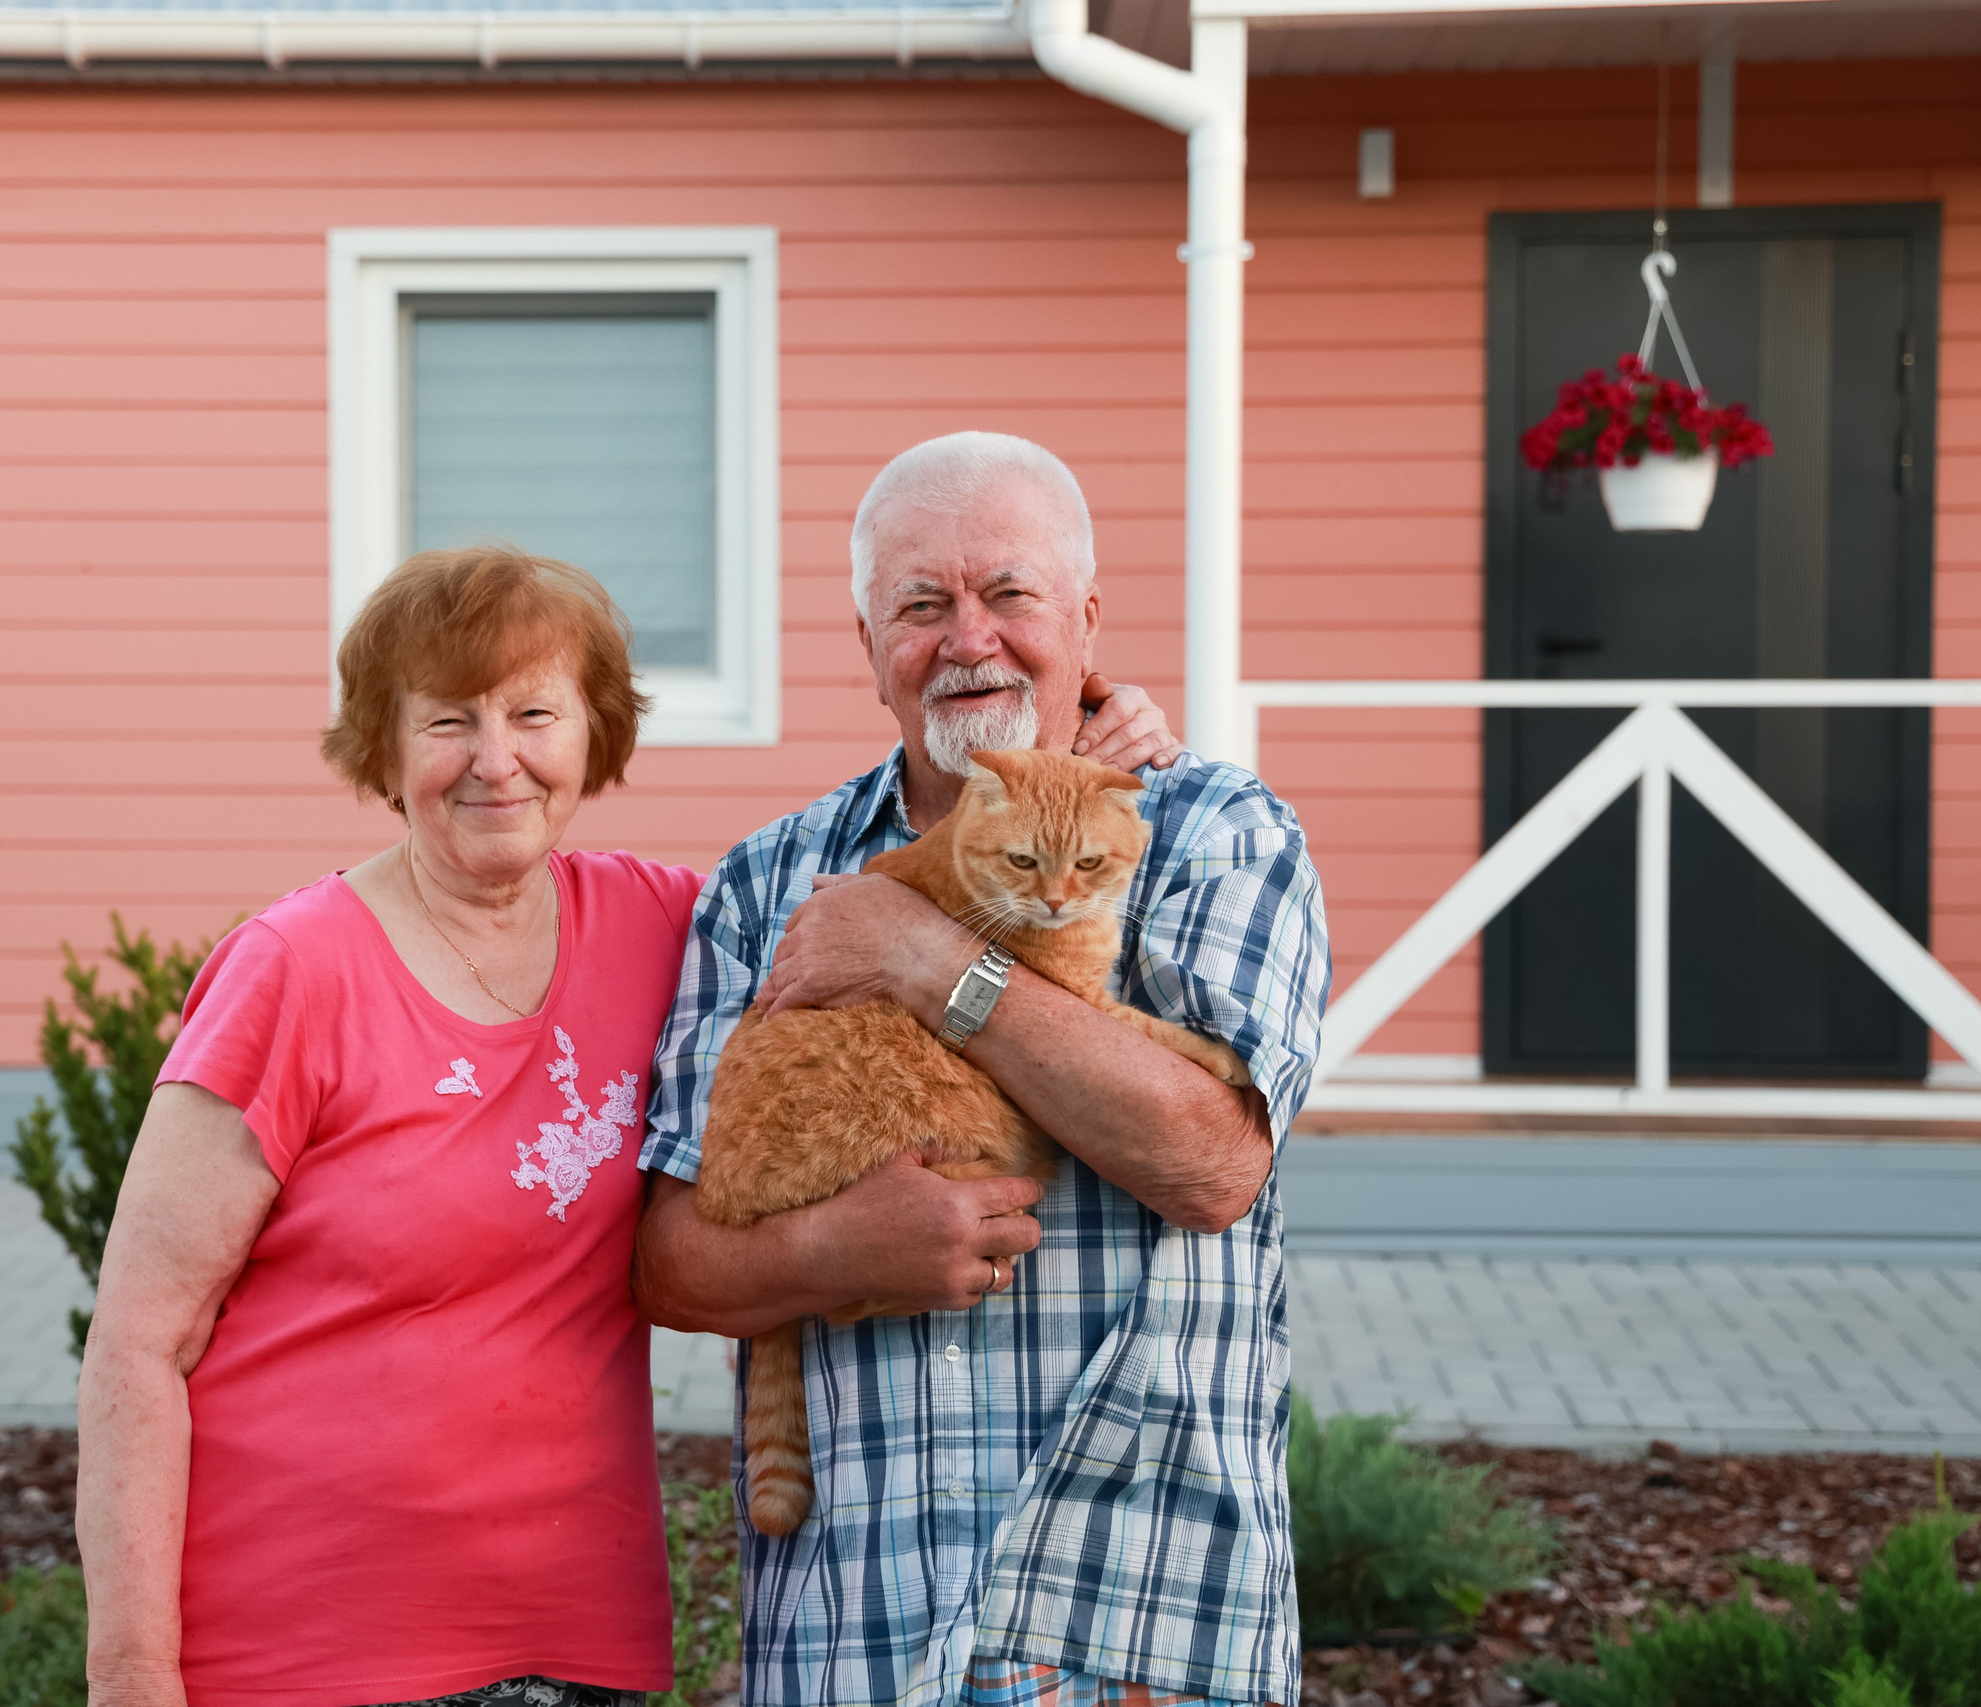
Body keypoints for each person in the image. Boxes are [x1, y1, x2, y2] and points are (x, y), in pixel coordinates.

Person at [75, 544, 1182, 1707]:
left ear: (590, 735)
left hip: (574, 1647)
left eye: (534, 713)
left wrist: (1087, 739)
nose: (495, 761)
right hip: (300, 1654)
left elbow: (915, 879)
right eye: (448, 721)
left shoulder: (662, 926)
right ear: (383, 749)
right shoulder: (293, 970)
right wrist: (132, 1675)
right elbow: (138, 1344)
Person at [634, 433, 1331, 1707]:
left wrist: (923, 955)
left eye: (1008, 594)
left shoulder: (1213, 833)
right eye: (920, 605)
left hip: (1141, 1623)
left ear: (1084, 618)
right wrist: (832, 1251)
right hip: (857, 1635)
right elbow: (670, 1259)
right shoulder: (760, 884)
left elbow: (1211, 1159)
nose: (968, 639)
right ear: (868, 646)